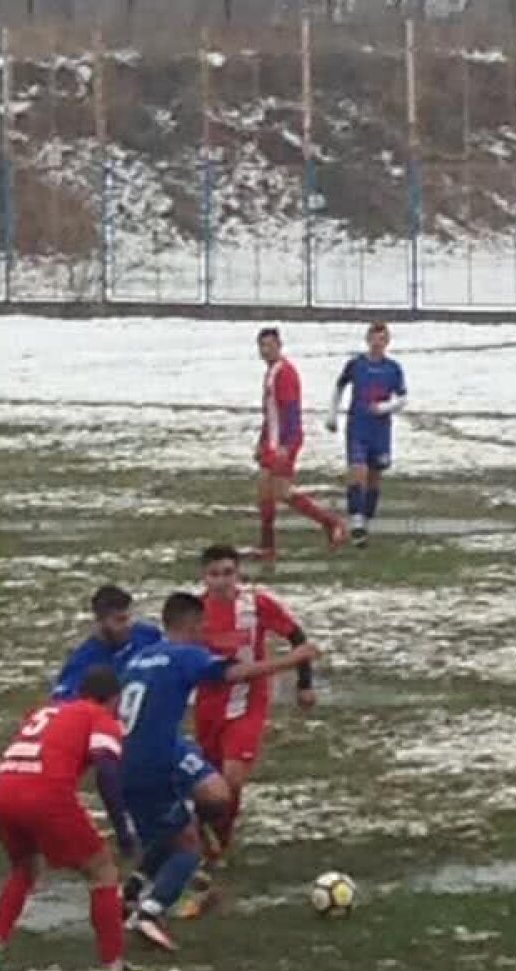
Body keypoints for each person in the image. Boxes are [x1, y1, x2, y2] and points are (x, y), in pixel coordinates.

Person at [118, 591, 317, 951]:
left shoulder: (140, 658)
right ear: (193, 625)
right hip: (156, 758)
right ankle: (151, 910)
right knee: (189, 846)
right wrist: (292, 660)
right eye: (202, 627)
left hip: (135, 753)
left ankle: (132, 888)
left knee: (216, 794)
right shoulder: (185, 655)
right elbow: (237, 673)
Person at [0, 665, 153, 971]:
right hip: (46, 794)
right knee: (103, 871)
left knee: (23, 868)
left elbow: (3, 765)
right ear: (114, 699)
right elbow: (107, 770)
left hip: (4, 793)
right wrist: (123, 830)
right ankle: (113, 969)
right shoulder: (99, 716)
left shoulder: (47, 712)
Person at [195, 542, 315, 862]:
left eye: (228, 573)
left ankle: (221, 840)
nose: (222, 581)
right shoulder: (194, 612)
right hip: (209, 706)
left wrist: (305, 684)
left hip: (249, 702)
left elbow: (297, 637)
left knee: (232, 777)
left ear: (238, 574)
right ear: (203, 577)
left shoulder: (256, 604)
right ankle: (205, 830)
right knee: (209, 780)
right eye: (214, 574)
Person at [254, 326, 346, 560]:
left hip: (284, 442)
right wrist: (261, 440)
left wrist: (287, 444)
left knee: (281, 491)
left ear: (279, 346)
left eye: (270, 345)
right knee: (265, 490)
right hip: (272, 441)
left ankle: (331, 523)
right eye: (262, 346)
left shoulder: (285, 373)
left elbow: (291, 411)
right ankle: (267, 546)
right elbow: (270, 413)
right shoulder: (271, 372)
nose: (266, 350)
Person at [326, 320, 407, 546]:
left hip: (380, 431)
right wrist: (332, 414)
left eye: (383, 339)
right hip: (358, 426)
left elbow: (402, 399)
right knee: (357, 471)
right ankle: (357, 522)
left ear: (387, 342)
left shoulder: (393, 369)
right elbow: (339, 386)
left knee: (374, 478)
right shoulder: (356, 365)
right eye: (374, 338)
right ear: (368, 339)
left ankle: (366, 520)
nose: (378, 343)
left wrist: (384, 408)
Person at [53, 584, 161, 701]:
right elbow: (63, 704)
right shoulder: (82, 662)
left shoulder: (148, 635)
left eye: (129, 618)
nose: (128, 625)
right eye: (120, 620)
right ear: (100, 621)